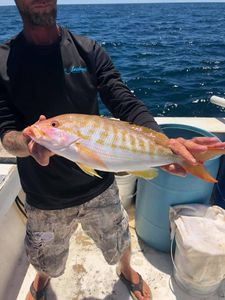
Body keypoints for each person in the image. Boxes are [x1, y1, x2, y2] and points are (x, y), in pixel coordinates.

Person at [0, 1, 224, 300]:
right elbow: (6, 133)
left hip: (99, 186)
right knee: (45, 257)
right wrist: (28, 146)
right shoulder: (2, 60)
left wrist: (164, 144)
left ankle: (126, 270)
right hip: (43, 196)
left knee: (118, 242)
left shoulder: (87, 49)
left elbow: (123, 100)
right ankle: (42, 279)